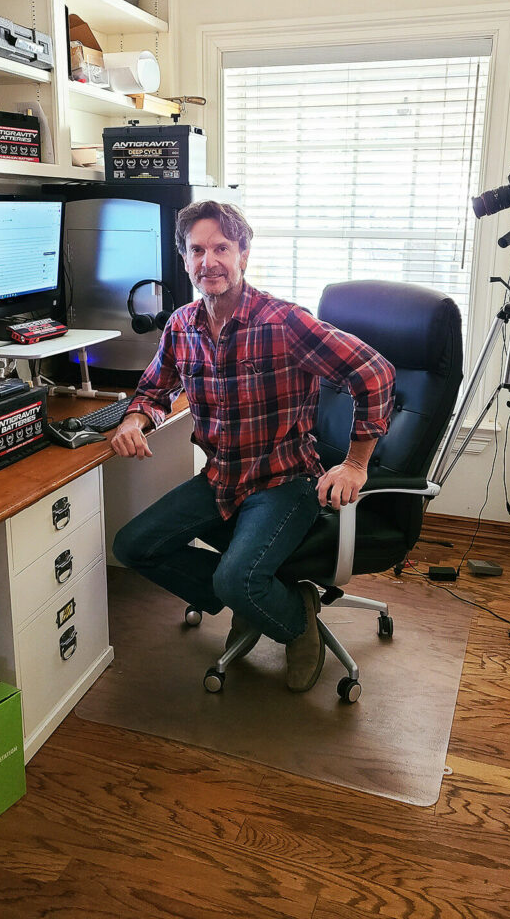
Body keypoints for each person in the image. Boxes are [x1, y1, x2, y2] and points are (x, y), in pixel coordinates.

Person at [111, 201, 395, 693]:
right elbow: (155, 390)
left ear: (244, 253)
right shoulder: (181, 325)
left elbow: (374, 372)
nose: (209, 262)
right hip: (219, 479)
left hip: (283, 482)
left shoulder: (284, 322)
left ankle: (295, 623)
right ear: (184, 259)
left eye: (221, 248)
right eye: (197, 250)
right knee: (133, 546)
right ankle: (256, 598)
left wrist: (354, 463)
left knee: (234, 579)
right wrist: (135, 419)